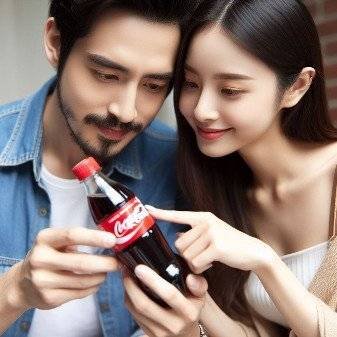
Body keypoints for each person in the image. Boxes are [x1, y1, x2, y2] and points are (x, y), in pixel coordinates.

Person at [122, 0, 337, 336]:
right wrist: (199, 306)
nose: (203, 109)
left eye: (231, 90)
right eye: (191, 83)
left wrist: (265, 262)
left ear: (297, 87)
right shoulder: (221, 191)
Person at [0, 1, 205, 336]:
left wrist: (189, 332)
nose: (125, 111)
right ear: (55, 42)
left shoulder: (183, 166)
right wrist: (12, 292)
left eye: (153, 86)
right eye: (107, 75)